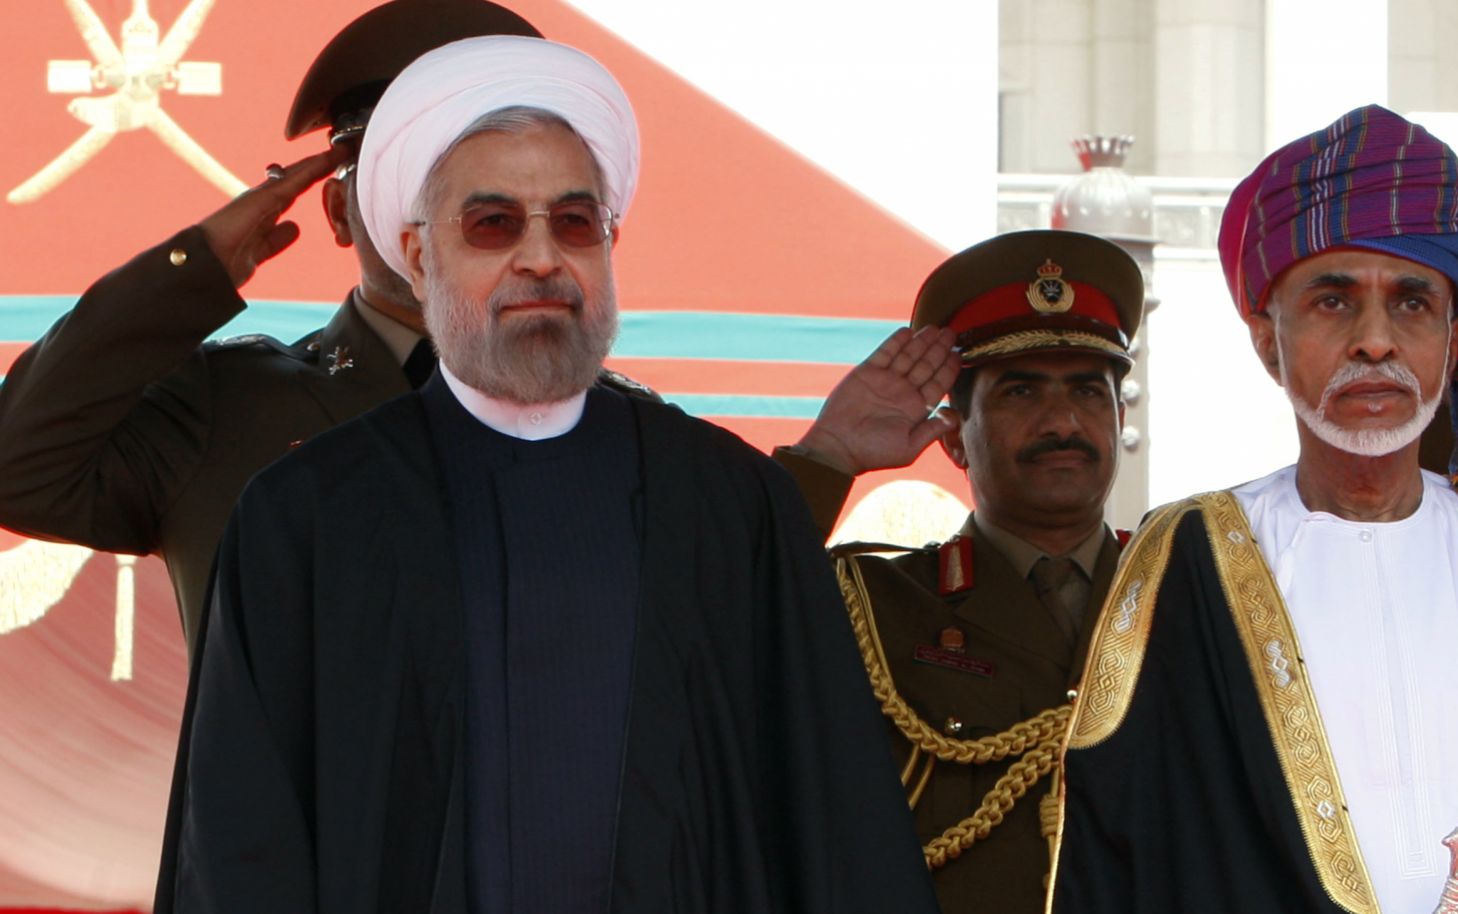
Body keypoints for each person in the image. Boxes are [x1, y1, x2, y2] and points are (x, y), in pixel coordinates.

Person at [154, 36, 936, 914]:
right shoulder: (309, 516)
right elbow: (240, 846)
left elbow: (833, 822)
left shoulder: (729, 500)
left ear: (610, 241)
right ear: (417, 255)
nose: (540, 259)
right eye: (493, 223)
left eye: (573, 222)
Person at [1047, 105, 1458, 913]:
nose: (1375, 340)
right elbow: (1124, 847)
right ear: (1267, 338)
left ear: (1452, 338)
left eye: (1412, 302)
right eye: (1334, 301)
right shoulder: (1188, 559)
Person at [0, 0, 656, 652]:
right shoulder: (226, 409)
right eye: (416, 178)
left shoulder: (627, 429)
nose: (455, 211)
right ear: (342, 209)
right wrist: (190, 270)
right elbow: (16, 469)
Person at [773, 230, 1141, 912]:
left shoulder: (1185, 593)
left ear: (1119, 419)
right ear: (951, 437)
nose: (1062, 419)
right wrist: (827, 457)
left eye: (1088, 392)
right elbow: (716, 616)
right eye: (1019, 393)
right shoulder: (875, 608)